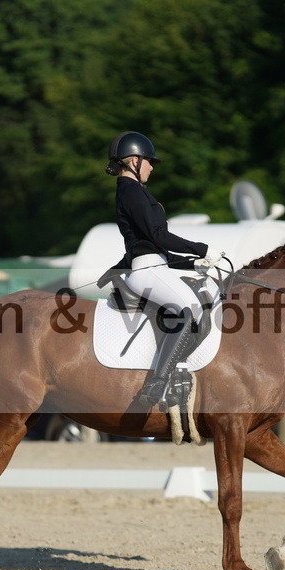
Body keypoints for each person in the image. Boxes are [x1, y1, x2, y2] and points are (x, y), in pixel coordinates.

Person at [99, 131, 223, 406]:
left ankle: (179, 371)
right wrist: (201, 248)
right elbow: (157, 236)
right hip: (145, 271)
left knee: (199, 310)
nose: (152, 167)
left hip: (156, 266)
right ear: (133, 160)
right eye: (149, 161)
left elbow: (159, 250)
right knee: (190, 309)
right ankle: (157, 384)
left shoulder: (137, 191)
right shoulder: (130, 191)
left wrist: (193, 262)